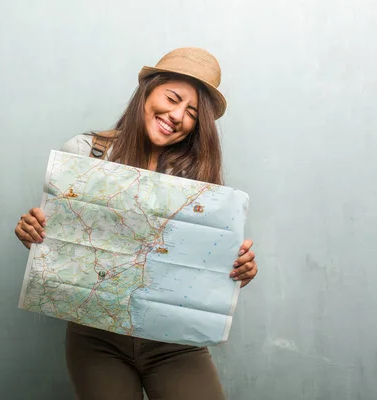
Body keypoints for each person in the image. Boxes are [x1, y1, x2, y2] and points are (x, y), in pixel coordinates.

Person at [14, 47, 258, 400]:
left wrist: (238, 268)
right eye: (172, 98)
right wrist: (34, 233)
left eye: (191, 113)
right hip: (97, 339)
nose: (176, 116)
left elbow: (204, 267)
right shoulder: (85, 153)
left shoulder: (198, 181)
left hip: (174, 341)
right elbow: (58, 241)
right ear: (148, 91)